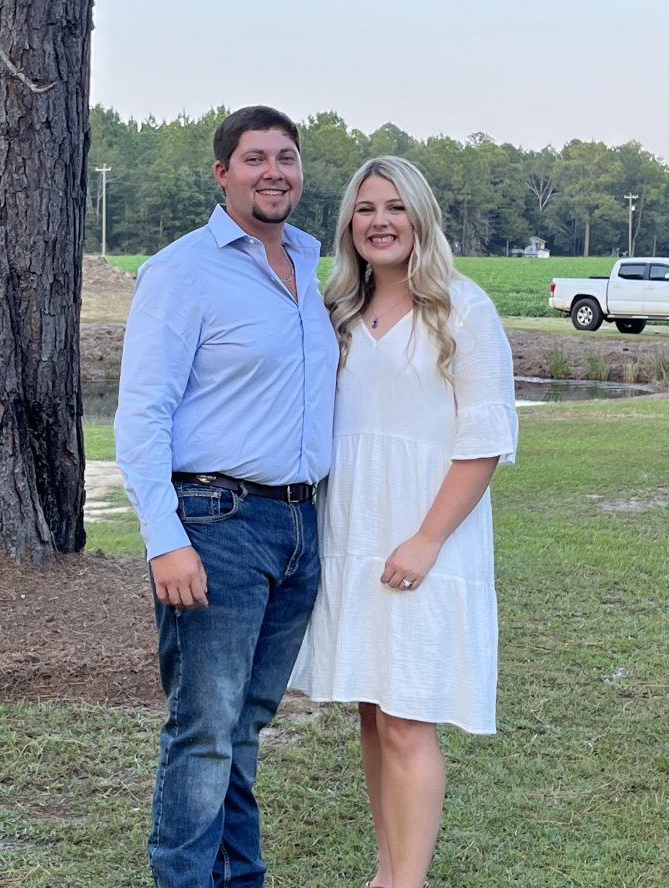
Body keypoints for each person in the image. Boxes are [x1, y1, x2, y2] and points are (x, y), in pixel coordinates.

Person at [114, 105, 338, 888]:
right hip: (216, 521)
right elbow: (142, 413)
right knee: (205, 731)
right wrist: (165, 539)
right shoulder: (181, 272)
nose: (273, 172)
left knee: (246, 724)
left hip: (299, 523)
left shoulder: (309, 264)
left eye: (286, 157)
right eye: (254, 158)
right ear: (222, 173)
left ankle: (240, 878)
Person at [289, 156, 518, 888]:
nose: (380, 221)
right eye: (365, 209)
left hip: (425, 538)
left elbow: (485, 439)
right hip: (353, 534)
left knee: (408, 717)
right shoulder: (337, 311)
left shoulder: (462, 308)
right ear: (348, 224)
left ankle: (407, 883)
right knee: (373, 711)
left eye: (395, 207)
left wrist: (427, 539)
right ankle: (386, 873)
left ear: (421, 217)